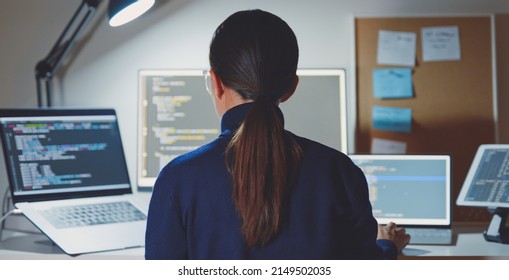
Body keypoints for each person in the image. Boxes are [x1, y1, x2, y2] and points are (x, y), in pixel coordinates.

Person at [145, 9, 410, 260]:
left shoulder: (178, 179)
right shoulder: (339, 171)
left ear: (215, 82)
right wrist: (386, 245)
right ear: (291, 87)